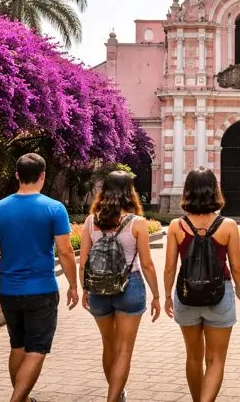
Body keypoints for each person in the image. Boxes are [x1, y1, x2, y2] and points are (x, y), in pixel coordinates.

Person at [0, 153, 78, 402]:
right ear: (43, 176)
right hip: (41, 290)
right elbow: (65, 251)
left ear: (17, 176)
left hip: (10, 291)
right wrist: (74, 285)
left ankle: (23, 399)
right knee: (37, 349)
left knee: (17, 346)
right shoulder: (54, 208)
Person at [163, 167, 240, 402]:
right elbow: (237, 267)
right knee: (216, 359)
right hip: (219, 295)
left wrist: (167, 296)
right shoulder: (228, 225)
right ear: (215, 191)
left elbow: (170, 267)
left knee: (193, 357)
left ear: (187, 192)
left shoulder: (176, 226)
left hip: (186, 295)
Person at [79, 171, 161, 402]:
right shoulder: (137, 223)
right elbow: (146, 263)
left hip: (98, 289)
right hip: (130, 286)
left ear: (104, 190)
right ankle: (113, 398)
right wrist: (156, 295)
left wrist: (85, 288)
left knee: (109, 345)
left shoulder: (90, 221)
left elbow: (83, 261)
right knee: (124, 349)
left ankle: (116, 393)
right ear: (130, 192)